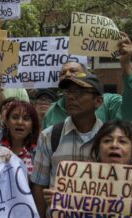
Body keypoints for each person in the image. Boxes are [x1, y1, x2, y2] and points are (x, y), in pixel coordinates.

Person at [43, 120, 132, 218]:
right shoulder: (76, 183)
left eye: (122, 141)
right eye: (107, 140)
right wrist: (58, 205)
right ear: (98, 149)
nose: (114, 145)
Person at [31, 72, 104, 217]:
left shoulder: (109, 140)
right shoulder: (49, 136)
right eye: (68, 91)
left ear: (98, 101)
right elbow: (39, 187)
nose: (71, 97)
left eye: (80, 92)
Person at [42, 32, 132, 129]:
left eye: (73, 71)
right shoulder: (52, 112)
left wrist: (125, 64)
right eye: (63, 73)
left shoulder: (107, 104)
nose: (68, 75)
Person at [1, 101, 39, 176]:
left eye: (26, 118)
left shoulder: (38, 153)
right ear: (7, 123)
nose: (20, 122)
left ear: (32, 126)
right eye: (15, 117)